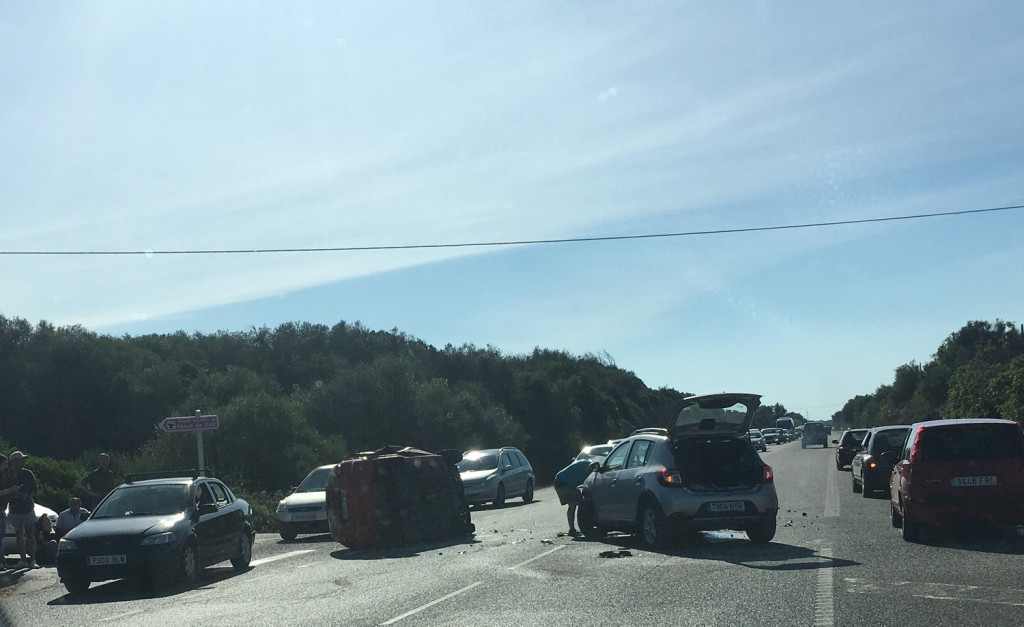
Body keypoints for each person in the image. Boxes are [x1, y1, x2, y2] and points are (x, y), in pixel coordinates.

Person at [7, 451, 38, 568]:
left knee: (30, 534)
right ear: (14, 461)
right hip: (14, 509)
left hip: (27, 507)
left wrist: (27, 495)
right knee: (18, 534)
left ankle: (33, 560)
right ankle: (23, 560)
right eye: (20, 460)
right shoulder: (8, 475)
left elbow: (35, 489)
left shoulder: (28, 473)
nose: (22, 462)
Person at [553, 458, 596, 536]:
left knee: (582, 504)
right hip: (563, 483)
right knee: (573, 504)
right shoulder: (587, 465)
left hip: (568, 483)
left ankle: (587, 525)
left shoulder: (586, 464)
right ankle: (572, 529)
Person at [0, 455, 23, 571]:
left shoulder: (5, 476)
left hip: (2, 508)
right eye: (4, 464)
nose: (6, 466)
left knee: (1, 535)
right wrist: (11, 490)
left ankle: (2, 560)